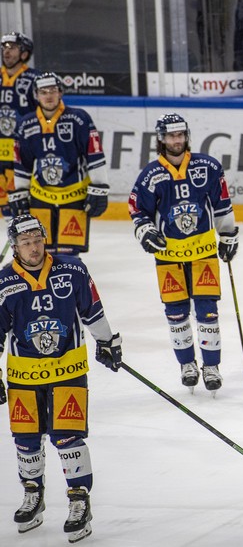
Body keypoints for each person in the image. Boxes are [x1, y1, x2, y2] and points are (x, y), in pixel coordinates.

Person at [0, 214, 123, 542]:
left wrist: (108, 341)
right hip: (23, 374)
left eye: (37, 240)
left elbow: (92, 310)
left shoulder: (72, 270)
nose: (33, 248)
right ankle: (33, 493)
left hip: (67, 370)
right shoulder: (3, 282)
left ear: (44, 239)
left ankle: (79, 500)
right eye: (25, 243)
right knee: (26, 441)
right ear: (15, 247)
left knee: (67, 438)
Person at [128, 113, 239, 392]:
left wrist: (227, 234)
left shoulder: (208, 167)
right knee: (176, 314)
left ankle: (211, 366)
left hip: (203, 252)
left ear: (186, 136)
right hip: (169, 256)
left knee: (207, 312)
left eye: (180, 135)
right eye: (170, 136)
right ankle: (187, 364)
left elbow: (222, 204)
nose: (176, 140)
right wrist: (144, 230)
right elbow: (136, 208)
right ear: (161, 139)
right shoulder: (152, 175)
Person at [10, 72, 110, 255]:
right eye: (43, 91)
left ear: (60, 92)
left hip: (74, 196)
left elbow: (94, 155)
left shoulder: (79, 119)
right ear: (36, 95)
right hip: (41, 197)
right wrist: (20, 192)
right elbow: (22, 163)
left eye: (53, 90)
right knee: (40, 252)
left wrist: (99, 186)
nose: (48, 95)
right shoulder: (26, 124)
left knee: (68, 255)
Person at [1, 31, 39, 218]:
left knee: (20, 200)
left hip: (21, 151)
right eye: (5, 47)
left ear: (24, 54)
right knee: (4, 203)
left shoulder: (35, 80)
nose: (7, 52)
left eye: (13, 48)